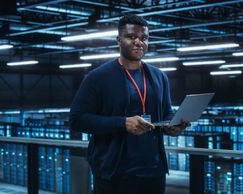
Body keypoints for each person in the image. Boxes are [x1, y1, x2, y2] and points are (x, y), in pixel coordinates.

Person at [69, 14, 189, 194]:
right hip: (115, 174)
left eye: (144, 38)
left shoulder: (159, 77)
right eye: (131, 37)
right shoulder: (98, 77)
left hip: (153, 172)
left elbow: (166, 113)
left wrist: (172, 126)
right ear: (118, 40)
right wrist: (123, 123)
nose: (138, 42)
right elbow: (77, 120)